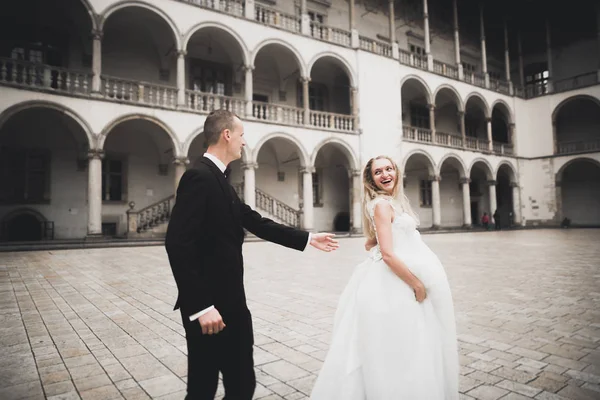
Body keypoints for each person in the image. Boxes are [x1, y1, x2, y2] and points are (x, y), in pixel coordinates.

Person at [165, 109, 339, 400]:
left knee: (239, 383)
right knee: (205, 387)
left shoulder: (220, 180)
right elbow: (178, 243)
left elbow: (256, 221)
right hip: (211, 309)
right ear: (227, 135)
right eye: (242, 135)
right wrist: (201, 306)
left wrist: (307, 238)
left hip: (231, 304)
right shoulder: (199, 177)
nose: (244, 142)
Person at [310, 155, 459, 400]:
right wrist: (416, 283)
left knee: (405, 342)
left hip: (397, 275)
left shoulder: (390, 202)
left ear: (396, 172)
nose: (385, 174)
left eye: (389, 169)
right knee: (400, 344)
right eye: (378, 172)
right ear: (371, 179)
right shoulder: (381, 205)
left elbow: (376, 240)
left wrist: (374, 242)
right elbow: (388, 255)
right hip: (394, 282)